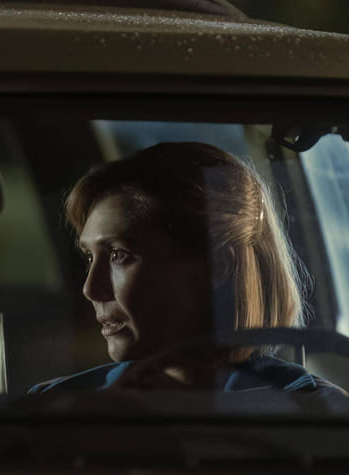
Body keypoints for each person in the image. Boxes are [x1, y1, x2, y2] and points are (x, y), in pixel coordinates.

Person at [31, 141, 345, 396]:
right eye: (89, 256)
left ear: (217, 266)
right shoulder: (57, 407)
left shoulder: (317, 416)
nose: (90, 289)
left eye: (118, 254)